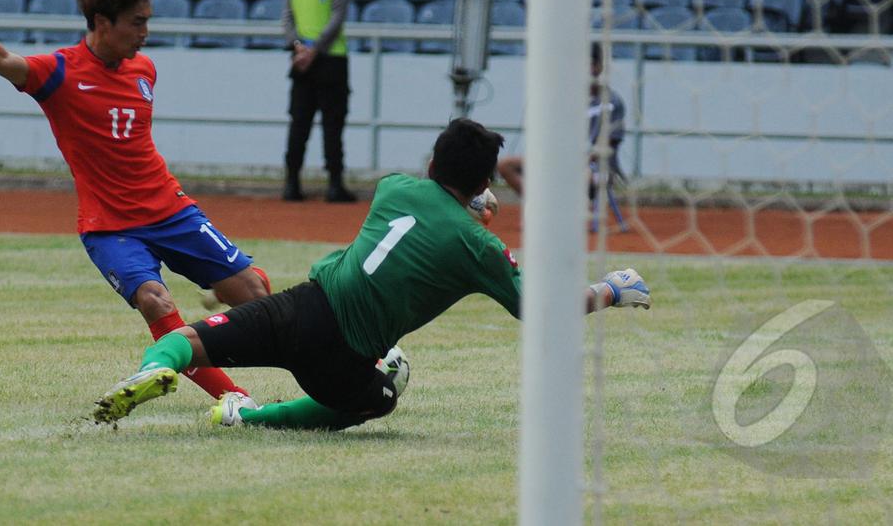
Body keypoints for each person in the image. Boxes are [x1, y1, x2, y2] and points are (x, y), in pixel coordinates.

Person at [92, 118, 651, 430]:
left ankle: (153, 369)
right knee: (376, 398)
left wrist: (469, 205)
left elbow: (432, 206)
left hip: (303, 306)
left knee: (189, 339)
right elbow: (540, 309)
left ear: (432, 166)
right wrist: (608, 290)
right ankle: (249, 418)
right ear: (486, 184)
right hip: (344, 355)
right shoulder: (479, 247)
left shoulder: (393, 186)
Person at [0, 0, 271, 402]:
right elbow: (7, 62)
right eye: (136, 22)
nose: (145, 33)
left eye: (147, 21)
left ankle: (331, 356)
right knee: (154, 300)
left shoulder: (145, 70)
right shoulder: (59, 72)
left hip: (171, 209)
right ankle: (235, 400)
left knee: (255, 292)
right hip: (110, 227)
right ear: (102, 22)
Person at [281, 0, 357, 203]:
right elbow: (337, 20)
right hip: (330, 60)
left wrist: (298, 46)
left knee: (299, 122)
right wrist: (313, 50)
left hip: (300, 61)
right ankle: (334, 185)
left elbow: (287, 19)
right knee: (332, 124)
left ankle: (291, 184)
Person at [496, 44, 626, 205]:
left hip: (597, 167)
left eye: (591, 64)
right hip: (562, 160)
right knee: (506, 165)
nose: (586, 69)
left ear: (600, 67)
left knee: (578, 174)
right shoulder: (567, 99)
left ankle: (568, 215)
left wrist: (580, 160)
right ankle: (539, 207)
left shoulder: (613, 102)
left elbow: (609, 144)